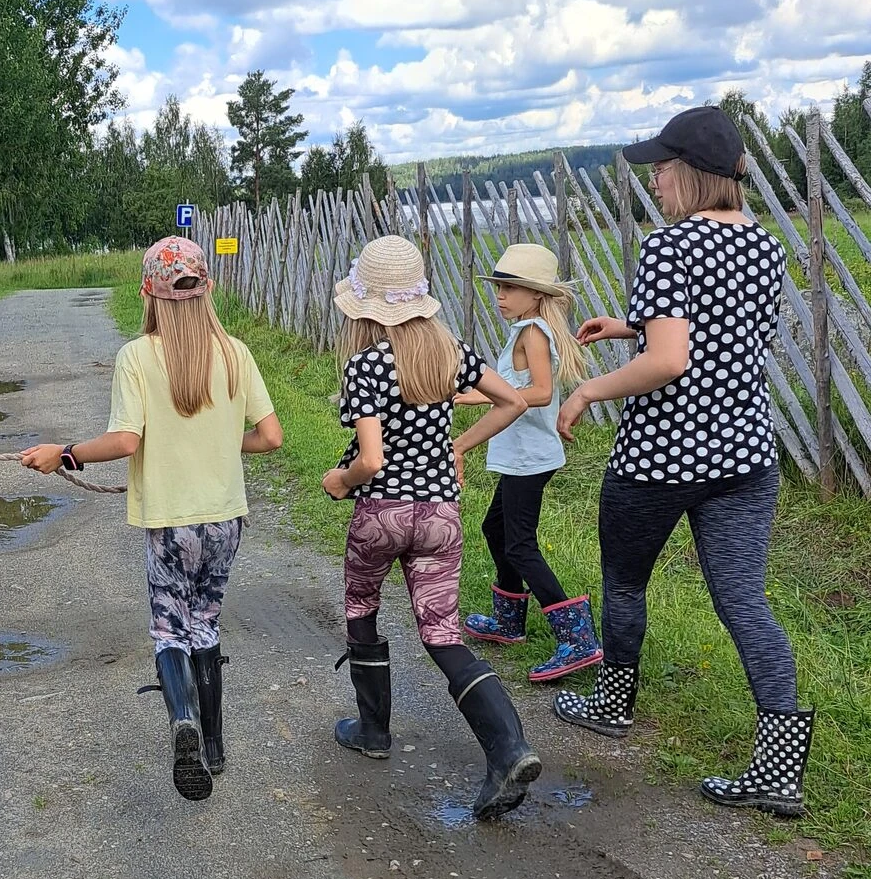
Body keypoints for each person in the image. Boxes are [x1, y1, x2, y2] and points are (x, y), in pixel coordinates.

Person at [553, 105, 811, 816]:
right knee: (744, 602)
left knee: (624, 583)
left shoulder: (668, 247)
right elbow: (723, 327)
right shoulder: (764, 245)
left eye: (662, 168)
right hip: (744, 455)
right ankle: (779, 773)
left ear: (693, 173)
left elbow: (669, 362)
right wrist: (629, 325)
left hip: (659, 458)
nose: (655, 180)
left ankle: (613, 705)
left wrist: (588, 390)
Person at [21, 235, 282, 802]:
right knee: (206, 623)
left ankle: (182, 718)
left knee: (170, 627)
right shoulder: (236, 352)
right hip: (226, 520)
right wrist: (218, 444)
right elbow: (270, 436)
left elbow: (125, 440)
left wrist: (65, 454)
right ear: (207, 288)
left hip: (171, 522)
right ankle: (214, 747)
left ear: (147, 292)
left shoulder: (137, 357)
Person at [325, 235, 540, 819]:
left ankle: (373, 730)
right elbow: (513, 402)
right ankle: (508, 747)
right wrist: (457, 447)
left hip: (382, 513)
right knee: (442, 632)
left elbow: (371, 459)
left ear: (367, 308)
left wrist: (340, 480)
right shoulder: (449, 353)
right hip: (440, 513)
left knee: (362, 606)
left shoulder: (366, 365)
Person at [460, 242, 601, 681]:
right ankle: (509, 622)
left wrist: (488, 400)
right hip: (522, 454)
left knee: (520, 544)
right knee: (495, 529)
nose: (500, 296)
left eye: (510, 289)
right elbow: (515, 388)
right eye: (498, 288)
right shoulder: (524, 328)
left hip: (529, 456)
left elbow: (540, 392)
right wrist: (475, 395)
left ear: (536, 293)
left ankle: (578, 639)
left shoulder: (532, 333)